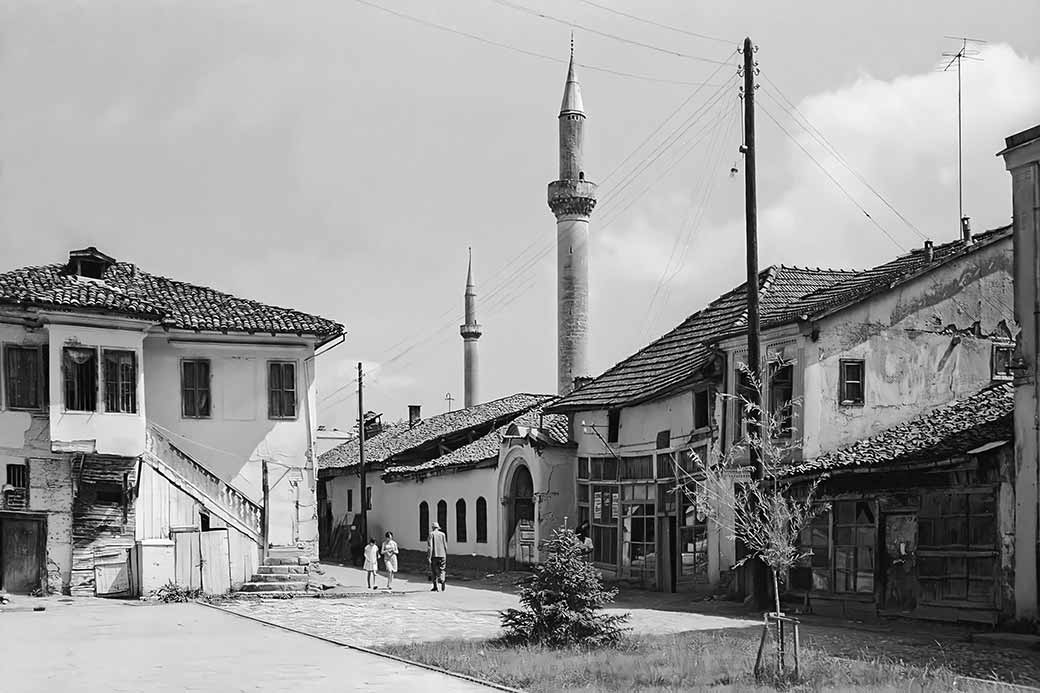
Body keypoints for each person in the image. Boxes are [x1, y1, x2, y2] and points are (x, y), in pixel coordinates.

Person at [427, 521, 448, 592]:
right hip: (442, 555)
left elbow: (430, 546)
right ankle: (442, 579)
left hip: (434, 555)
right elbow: (445, 545)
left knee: (434, 570)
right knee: (442, 569)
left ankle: (435, 586)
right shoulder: (443, 534)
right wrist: (445, 554)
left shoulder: (431, 534)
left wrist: (429, 556)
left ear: (432, 527)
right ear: (438, 528)